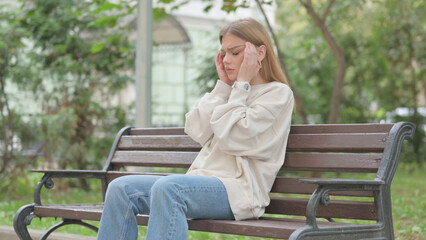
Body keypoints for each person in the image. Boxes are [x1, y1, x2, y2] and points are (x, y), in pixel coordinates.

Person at [97, 18, 294, 240]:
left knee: (169, 188)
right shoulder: (231, 92)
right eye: (223, 53)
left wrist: (240, 87)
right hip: (201, 183)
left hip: (239, 192)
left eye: (235, 53)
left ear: (259, 53)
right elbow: (196, 130)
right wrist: (223, 88)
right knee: (120, 188)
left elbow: (236, 138)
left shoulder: (278, 94)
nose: (227, 60)